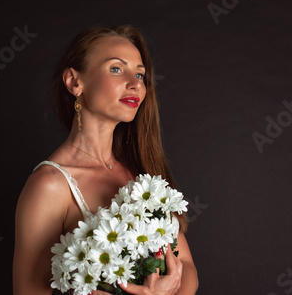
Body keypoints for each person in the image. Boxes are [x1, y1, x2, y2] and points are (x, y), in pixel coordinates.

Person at [13, 25, 199, 294]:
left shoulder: (142, 174)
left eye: (140, 74)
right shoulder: (49, 185)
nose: (135, 83)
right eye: (116, 69)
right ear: (74, 82)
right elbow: (28, 290)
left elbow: (186, 265)